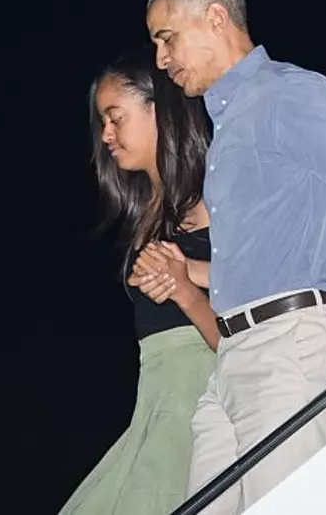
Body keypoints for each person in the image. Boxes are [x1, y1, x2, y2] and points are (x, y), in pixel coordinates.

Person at [140, 0, 326, 514]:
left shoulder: (288, 94)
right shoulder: (229, 126)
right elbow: (263, 257)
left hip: (290, 344)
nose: (160, 60)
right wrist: (183, 274)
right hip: (233, 359)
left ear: (215, 18)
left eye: (166, 38)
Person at [59, 48, 218, 515]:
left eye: (115, 117)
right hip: (154, 399)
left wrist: (186, 280)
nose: (106, 134)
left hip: (193, 392)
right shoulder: (152, 209)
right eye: (102, 123)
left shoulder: (206, 196)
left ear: (158, 109)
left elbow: (248, 304)